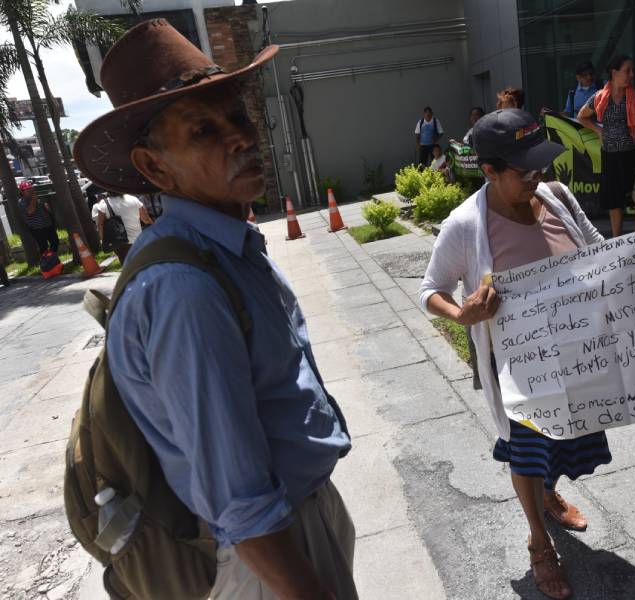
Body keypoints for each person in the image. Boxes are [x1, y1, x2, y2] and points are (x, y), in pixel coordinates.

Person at [73, 19, 356, 600]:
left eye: (239, 117)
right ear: (154, 168)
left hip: (295, 523)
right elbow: (241, 504)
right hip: (267, 556)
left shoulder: (224, 247)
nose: (240, 137)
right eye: (203, 129)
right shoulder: (185, 289)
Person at [419, 108, 613, 600]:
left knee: (562, 441)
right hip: (517, 369)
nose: (537, 177)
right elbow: (430, 291)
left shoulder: (558, 198)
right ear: (489, 171)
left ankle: (549, 494)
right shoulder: (465, 226)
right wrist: (463, 315)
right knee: (527, 452)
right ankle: (539, 542)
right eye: (523, 170)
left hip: (573, 354)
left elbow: (600, 253)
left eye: (540, 165)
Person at [577, 55, 635, 238]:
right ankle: (617, 240)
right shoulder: (600, 97)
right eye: (627, 71)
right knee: (614, 200)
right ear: (614, 72)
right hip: (611, 155)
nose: (632, 74)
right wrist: (599, 131)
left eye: (632, 70)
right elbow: (582, 116)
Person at [93, 191, 152, 263]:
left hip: (120, 243)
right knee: (142, 265)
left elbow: (100, 225)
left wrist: (104, 240)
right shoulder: (133, 199)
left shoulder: (104, 203)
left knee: (128, 268)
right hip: (138, 240)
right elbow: (146, 220)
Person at [18, 181, 59, 255]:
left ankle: (51, 258)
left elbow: (43, 210)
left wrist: (46, 208)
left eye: (31, 189)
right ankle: (46, 262)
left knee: (55, 242)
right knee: (43, 247)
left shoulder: (36, 198)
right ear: (22, 192)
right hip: (37, 228)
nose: (30, 191)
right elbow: (30, 212)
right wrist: (34, 200)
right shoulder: (22, 202)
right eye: (27, 190)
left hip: (47, 225)